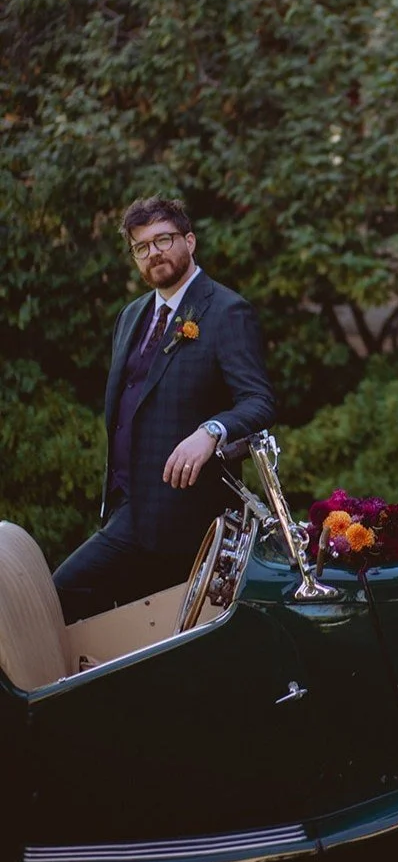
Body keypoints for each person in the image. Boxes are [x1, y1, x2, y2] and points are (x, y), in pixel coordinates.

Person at [52, 196, 276, 623]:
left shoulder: (227, 311)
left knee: (63, 589)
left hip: (182, 516)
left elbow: (259, 401)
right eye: (141, 246)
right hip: (125, 508)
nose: (154, 252)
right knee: (134, 637)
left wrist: (210, 431)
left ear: (189, 241)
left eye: (164, 239)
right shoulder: (131, 316)